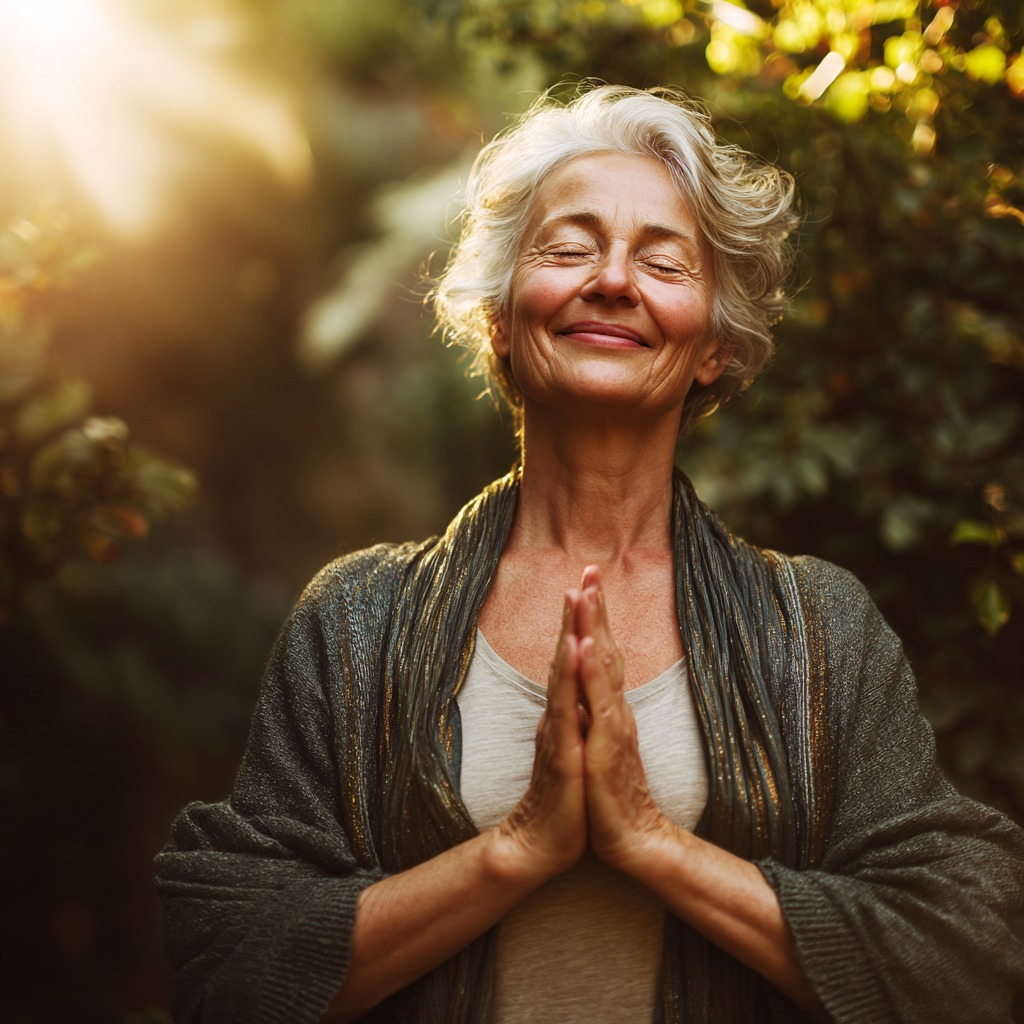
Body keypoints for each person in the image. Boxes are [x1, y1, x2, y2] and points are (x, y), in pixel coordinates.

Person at [155, 85, 1024, 1024]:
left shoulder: (818, 630)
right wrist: (517, 849)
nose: (611, 280)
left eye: (662, 261)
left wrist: (652, 841)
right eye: (568, 249)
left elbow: (962, 949)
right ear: (497, 318)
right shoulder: (356, 620)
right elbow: (231, 957)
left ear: (715, 349)